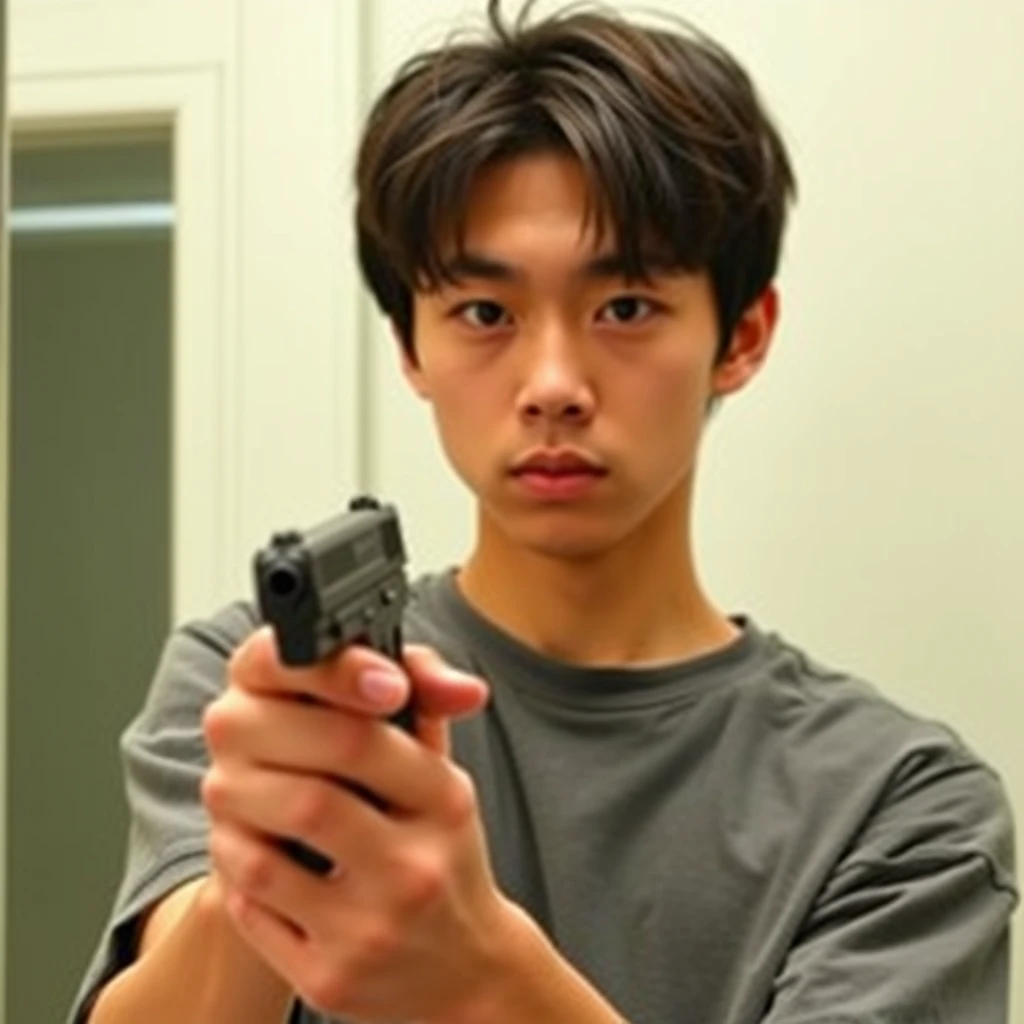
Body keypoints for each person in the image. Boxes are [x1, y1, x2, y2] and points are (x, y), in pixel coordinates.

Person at [72, 1, 1017, 1022]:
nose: (553, 382)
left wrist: (482, 973)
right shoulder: (250, 682)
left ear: (741, 336)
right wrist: (262, 869)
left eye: (624, 307)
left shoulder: (902, 807)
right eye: (484, 313)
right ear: (409, 344)